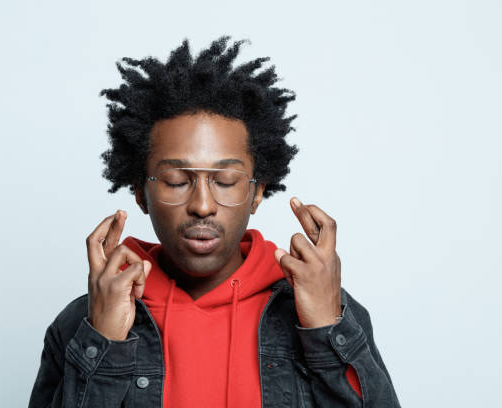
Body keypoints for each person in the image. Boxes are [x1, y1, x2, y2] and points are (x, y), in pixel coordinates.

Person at [28, 36, 400, 407]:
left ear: (256, 192)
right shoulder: (83, 322)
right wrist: (104, 343)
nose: (203, 205)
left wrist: (325, 328)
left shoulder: (323, 308)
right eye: (176, 181)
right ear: (140, 192)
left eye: (225, 182)